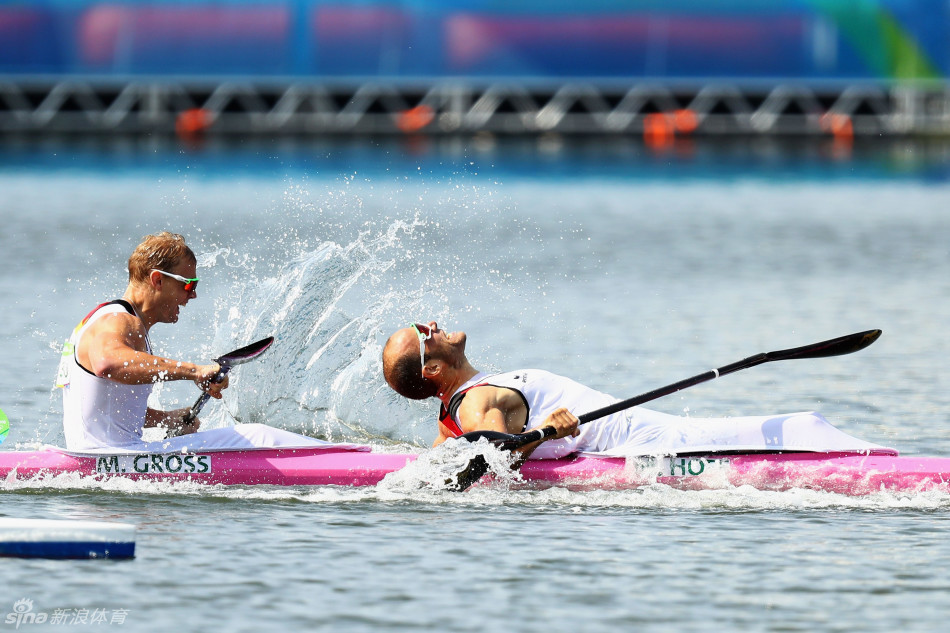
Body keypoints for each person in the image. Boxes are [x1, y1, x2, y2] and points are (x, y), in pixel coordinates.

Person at [381, 321, 890, 461]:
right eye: (424, 335)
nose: (432, 325)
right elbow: (495, 453)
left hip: (634, 435)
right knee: (799, 427)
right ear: (431, 370)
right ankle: (866, 459)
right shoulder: (478, 403)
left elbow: (451, 460)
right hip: (643, 445)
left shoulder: (455, 411)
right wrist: (543, 431)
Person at [58, 232, 349, 454]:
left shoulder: (105, 321)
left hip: (105, 457)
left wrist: (167, 419)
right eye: (189, 285)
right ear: (158, 280)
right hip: (114, 459)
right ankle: (353, 459)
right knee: (259, 437)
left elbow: (108, 411)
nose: (193, 296)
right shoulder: (119, 321)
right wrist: (194, 371)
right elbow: (107, 364)